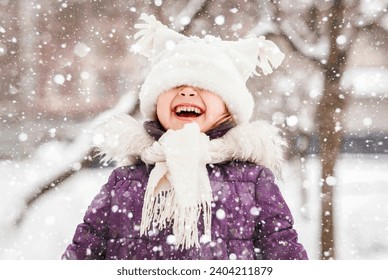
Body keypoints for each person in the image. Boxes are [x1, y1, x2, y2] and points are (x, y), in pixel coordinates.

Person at [62, 13, 308, 260]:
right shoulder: (124, 182)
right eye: (176, 86)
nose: (188, 93)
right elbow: (82, 253)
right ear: (156, 102)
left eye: (204, 87)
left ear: (228, 107)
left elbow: (284, 254)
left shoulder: (253, 182)